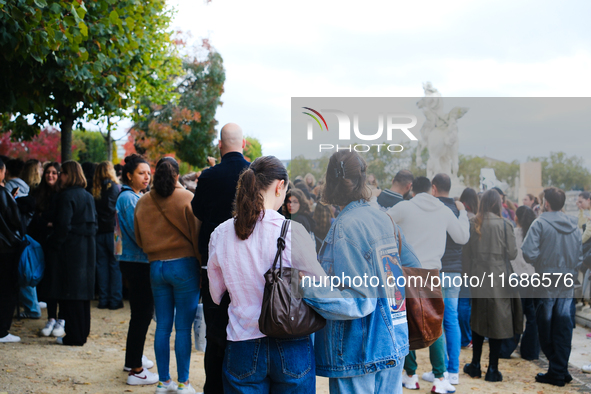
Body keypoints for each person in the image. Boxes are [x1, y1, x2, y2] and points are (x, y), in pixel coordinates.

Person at [301, 151, 420, 394]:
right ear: (362, 179)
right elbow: (413, 265)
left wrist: (305, 286)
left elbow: (358, 300)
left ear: (330, 181)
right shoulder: (383, 219)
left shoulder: (345, 226)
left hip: (359, 350)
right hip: (393, 341)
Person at [208, 155, 320, 392]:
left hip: (242, 342)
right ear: (280, 185)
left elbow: (216, 294)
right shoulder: (293, 231)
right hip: (291, 340)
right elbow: (318, 286)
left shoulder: (221, 233)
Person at [388, 176, 469, 393]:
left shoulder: (405, 207)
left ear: (412, 189)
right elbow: (462, 237)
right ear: (432, 190)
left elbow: (383, 221)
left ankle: (410, 374)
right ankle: (440, 378)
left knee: (407, 322)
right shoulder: (443, 211)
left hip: (407, 271)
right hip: (433, 272)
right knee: (435, 324)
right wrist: (463, 213)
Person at [191, 123, 250, 394]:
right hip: (249, 263)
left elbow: (199, 211)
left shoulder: (209, 176)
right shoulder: (254, 175)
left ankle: (213, 387)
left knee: (215, 330)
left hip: (214, 262)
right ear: (244, 144)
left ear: (219, 145)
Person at [134, 157, 201, 394]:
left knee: (162, 326)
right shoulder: (187, 198)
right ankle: (183, 383)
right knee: (183, 328)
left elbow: (139, 239)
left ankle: (163, 382)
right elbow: (197, 235)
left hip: (156, 266)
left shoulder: (142, 202)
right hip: (183, 266)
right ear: (177, 175)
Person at [522, 187, 582, 387]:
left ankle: (557, 371)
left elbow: (528, 253)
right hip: (567, 280)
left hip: (546, 278)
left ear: (546, 203)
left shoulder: (539, 223)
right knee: (563, 326)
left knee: (545, 325)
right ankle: (560, 369)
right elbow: (580, 256)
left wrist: (543, 262)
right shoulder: (575, 225)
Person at [462, 190, 522, 382]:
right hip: (499, 277)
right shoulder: (505, 224)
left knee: (478, 318)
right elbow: (512, 254)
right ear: (497, 204)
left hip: (478, 276)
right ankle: (493, 368)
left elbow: (466, 254)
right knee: (498, 319)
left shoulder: (473, 224)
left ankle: (476, 365)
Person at [116, 154, 158, 385]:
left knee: (140, 314)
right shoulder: (129, 199)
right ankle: (136, 370)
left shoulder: (134, 196)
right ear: (129, 175)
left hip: (135, 260)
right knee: (142, 314)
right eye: (142, 173)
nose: (147, 176)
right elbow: (139, 232)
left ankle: (133, 358)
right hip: (137, 262)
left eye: (148, 173)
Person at [46, 161, 97, 346]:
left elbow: (63, 226)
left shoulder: (65, 196)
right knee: (82, 295)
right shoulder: (88, 196)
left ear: (69, 174)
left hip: (70, 250)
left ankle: (74, 336)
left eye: (62, 173)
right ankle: (81, 333)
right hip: (87, 249)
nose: (60, 176)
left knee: (70, 293)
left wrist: (54, 243)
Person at [431, 174, 465, 386]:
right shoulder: (457, 209)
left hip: (438, 269)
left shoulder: (435, 209)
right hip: (455, 271)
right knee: (452, 319)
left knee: (438, 321)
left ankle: (441, 370)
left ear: (433, 188)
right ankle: (453, 371)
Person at [29, 162, 65, 337]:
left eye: (54, 173)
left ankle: (60, 318)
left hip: (57, 243)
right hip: (40, 241)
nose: (50, 175)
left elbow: (60, 219)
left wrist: (45, 218)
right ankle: (51, 317)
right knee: (46, 280)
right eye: (48, 172)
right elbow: (33, 217)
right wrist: (46, 221)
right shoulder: (38, 192)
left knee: (57, 279)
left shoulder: (63, 194)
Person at [499, 206, 539, 360]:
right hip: (533, 278)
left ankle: (507, 348)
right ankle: (530, 351)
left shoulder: (513, 234)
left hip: (517, 277)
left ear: (516, 218)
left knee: (515, 314)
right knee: (532, 316)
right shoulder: (535, 234)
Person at [0, 158, 26, 343]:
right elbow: (14, 220)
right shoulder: (2, 193)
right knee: (7, 289)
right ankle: (2, 330)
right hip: (6, 247)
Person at [92, 161, 122, 310]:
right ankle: (115, 300)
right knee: (115, 266)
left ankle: (103, 299)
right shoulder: (116, 188)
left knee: (101, 266)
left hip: (99, 232)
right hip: (114, 232)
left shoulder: (94, 190)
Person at [457, 188, 479, 349]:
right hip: (476, 267)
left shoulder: (460, 217)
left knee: (462, 303)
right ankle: (470, 336)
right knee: (470, 303)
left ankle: (465, 337)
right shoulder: (478, 220)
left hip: (461, 265)